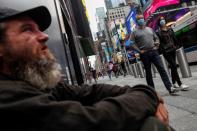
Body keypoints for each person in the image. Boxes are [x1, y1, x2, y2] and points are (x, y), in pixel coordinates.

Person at [0, 6, 174, 131]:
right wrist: (148, 95)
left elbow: (91, 91)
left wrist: (140, 92)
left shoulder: (34, 82)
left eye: (39, 29)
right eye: (27, 29)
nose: (44, 36)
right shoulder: (7, 95)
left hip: (154, 52)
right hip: (145, 54)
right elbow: (91, 120)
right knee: (151, 125)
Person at [129, 14, 178, 94]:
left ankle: (169, 87)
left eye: (142, 18)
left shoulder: (150, 29)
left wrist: (157, 43)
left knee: (162, 69)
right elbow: (131, 43)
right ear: (137, 21)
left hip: (154, 52)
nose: (141, 20)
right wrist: (139, 51)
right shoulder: (134, 32)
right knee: (148, 73)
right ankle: (152, 91)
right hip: (144, 54)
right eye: (139, 19)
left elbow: (156, 38)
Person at [157, 16, 189, 91]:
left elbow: (174, 38)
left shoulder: (170, 29)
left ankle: (173, 82)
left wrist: (177, 46)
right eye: (161, 20)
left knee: (173, 66)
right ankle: (180, 84)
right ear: (159, 23)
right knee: (174, 65)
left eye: (163, 20)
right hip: (166, 52)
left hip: (172, 49)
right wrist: (162, 50)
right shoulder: (158, 32)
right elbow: (159, 43)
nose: (162, 21)